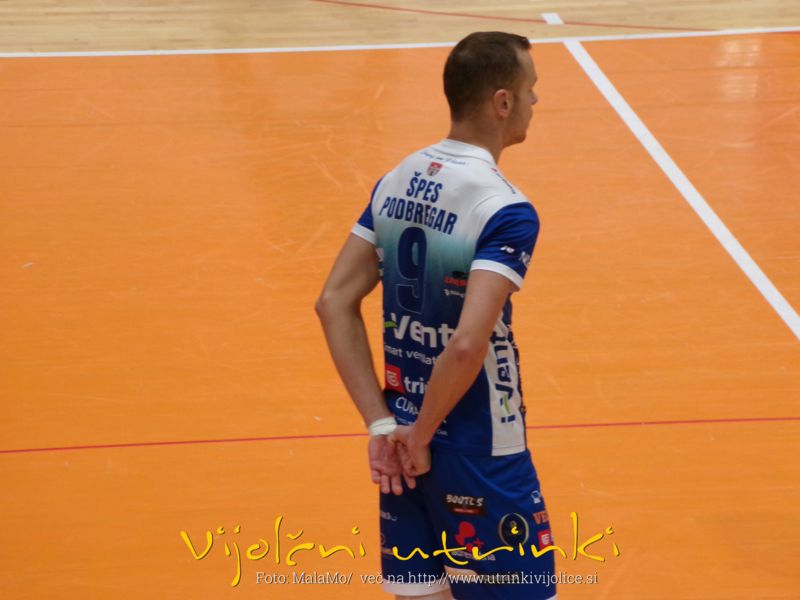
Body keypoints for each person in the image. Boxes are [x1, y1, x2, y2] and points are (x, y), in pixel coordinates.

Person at [316, 31, 555, 600]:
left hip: (400, 442)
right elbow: (467, 345)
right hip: (478, 448)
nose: (535, 101)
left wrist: (385, 428)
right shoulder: (504, 209)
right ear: (502, 102)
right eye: (530, 89)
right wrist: (421, 437)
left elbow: (333, 302)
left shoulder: (398, 177)